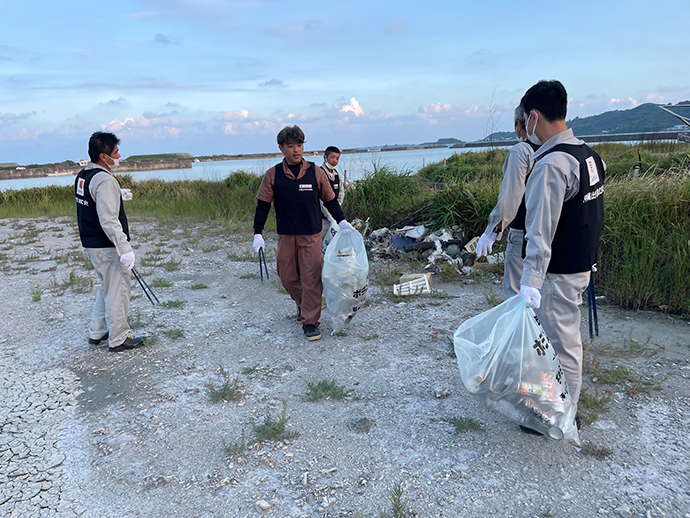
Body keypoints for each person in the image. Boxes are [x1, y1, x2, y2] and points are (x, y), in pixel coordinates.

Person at [518, 80, 605, 409]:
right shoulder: (588, 155)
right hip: (580, 263)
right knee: (560, 338)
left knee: (559, 342)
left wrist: (530, 282)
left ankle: (561, 414)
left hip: (558, 272)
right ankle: (545, 403)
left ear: (534, 117)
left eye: (526, 118)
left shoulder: (551, 165)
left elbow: (539, 230)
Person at [251, 126, 355, 341]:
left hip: (311, 234)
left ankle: (310, 321)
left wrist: (342, 220)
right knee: (287, 277)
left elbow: (330, 200)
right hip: (287, 234)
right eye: (291, 146)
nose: (296, 150)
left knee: (310, 278)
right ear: (281, 148)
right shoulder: (273, 175)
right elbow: (262, 206)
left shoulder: (315, 172)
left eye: (299, 145)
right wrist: (257, 233)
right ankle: (302, 305)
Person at [75, 131, 145, 352]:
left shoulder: (83, 175)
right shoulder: (104, 180)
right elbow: (108, 219)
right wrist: (124, 248)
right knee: (118, 289)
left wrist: (117, 192)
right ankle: (119, 337)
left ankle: (97, 331)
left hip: (90, 242)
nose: (119, 155)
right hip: (106, 246)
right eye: (115, 152)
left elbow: (92, 199)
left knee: (107, 285)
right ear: (104, 157)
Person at [476, 106, 540, 299]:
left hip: (524, 235)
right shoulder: (559, 150)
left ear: (520, 125)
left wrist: (492, 232)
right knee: (542, 300)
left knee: (516, 297)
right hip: (555, 236)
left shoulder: (522, 151)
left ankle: (520, 331)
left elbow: (510, 198)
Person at [320, 146, 345, 248]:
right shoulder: (320, 173)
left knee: (334, 244)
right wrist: (328, 215)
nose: (335, 161)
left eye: (337, 158)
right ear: (325, 158)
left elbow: (341, 193)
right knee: (321, 244)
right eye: (332, 158)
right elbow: (320, 199)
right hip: (322, 217)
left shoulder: (337, 175)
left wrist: (336, 208)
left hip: (334, 216)